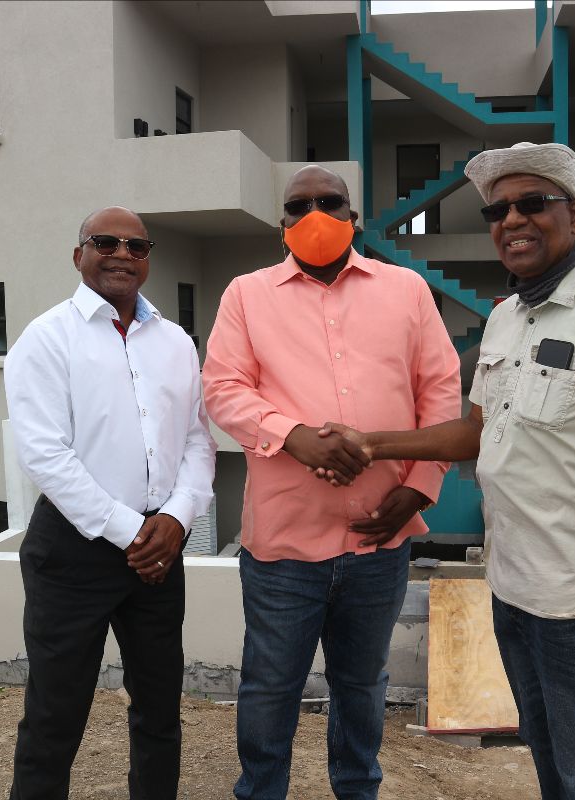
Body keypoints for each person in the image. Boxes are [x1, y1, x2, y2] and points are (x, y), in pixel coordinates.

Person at [319, 143, 575, 800]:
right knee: (552, 763)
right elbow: (476, 429)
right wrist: (372, 445)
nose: (512, 220)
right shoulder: (506, 317)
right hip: (514, 591)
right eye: (497, 211)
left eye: (533, 203)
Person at [201, 166, 461, 800]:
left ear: (353, 217)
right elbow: (223, 387)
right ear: (282, 224)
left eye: (329, 202)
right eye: (299, 205)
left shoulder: (406, 289)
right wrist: (294, 435)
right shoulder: (246, 294)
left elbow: (440, 389)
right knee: (270, 687)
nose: (315, 213)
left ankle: (356, 789)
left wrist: (419, 488)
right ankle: (262, 790)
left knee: (362, 685)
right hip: (284, 545)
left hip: (380, 537)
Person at [4, 206, 216, 800]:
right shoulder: (47, 338)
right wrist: (132, 530)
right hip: (75, 550)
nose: (122, 253)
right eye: (105, 242)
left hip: (160, 550)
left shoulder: (175, 342)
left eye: (136, 246)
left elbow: (198, 440)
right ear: (80, 255)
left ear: (148, 260)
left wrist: (176, 518)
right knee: (56, 713)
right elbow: (45, 454)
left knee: (160, 709)